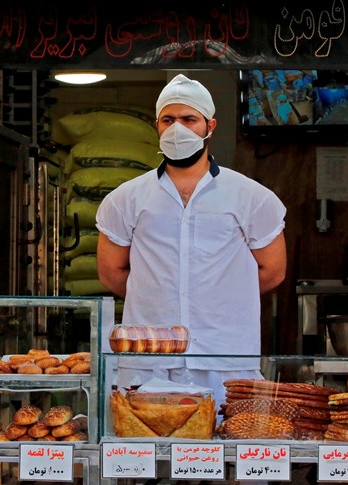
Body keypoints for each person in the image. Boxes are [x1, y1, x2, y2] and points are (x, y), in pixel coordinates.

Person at [95, 73, 287, 410]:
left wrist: (219, 299)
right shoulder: (125, 199)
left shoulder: (251, 197)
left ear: (210, 125)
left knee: (228, 453)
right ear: (156, 125)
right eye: (168, 120)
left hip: (225, 359)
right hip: (149, 363)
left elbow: (272, 271)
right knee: (145, 456)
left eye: (188, 119)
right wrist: (158, 293)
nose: (177, 129)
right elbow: (112, 273)